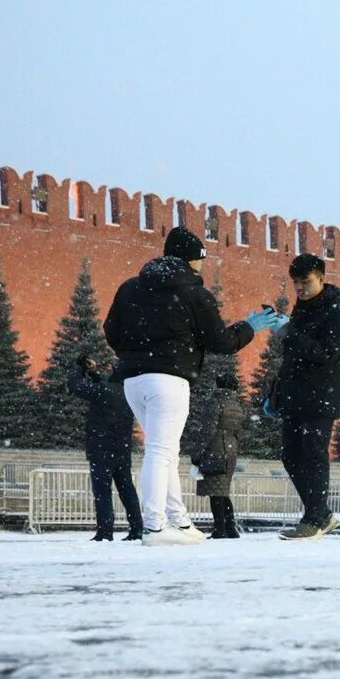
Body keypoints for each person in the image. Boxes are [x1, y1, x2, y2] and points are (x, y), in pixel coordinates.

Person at [104, 226, 277, 546]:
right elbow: (221, 342)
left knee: (165, 449)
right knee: (161, 450)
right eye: (200, 259)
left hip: (133, 381)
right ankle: (154, 526)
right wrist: (249, 327)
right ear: (191, 260)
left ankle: (179, 521)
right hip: (169, 381)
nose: (201, 265)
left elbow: (111, 330)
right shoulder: (193, 293)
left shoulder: (130, 288)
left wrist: (135, 355)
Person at [267, 254, 340, 541]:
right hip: (294, 396)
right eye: (296, 283)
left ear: (322, 279)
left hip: (320, 397)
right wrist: (275, 393)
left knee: (313, 455)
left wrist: (290, 333)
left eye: (306, 282)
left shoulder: (337, 314)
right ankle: (322, 514)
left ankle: (314, 518)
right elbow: (292, 359)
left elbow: (329, 354)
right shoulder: (301, 312)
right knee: (290, 455)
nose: (300, 288)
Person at [66, 351, 141, 541]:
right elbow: (105, 388)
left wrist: (80, 368)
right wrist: (94, 374)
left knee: (102, 492)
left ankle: (106, 531)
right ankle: (137, 528)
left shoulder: (103, 391)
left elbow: (76, 386)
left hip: (101, 449)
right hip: (122, 450)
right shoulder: (128, 394)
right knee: (127, 490)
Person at [192, 371, 246, 538]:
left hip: (215, 450)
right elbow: (239, 431)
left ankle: (219, 529)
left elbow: (207, 431)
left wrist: (197, 453)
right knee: (223, 491)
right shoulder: (236, 405)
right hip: (230, 450)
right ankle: (230, 528)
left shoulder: (215, 402)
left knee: (215, 491)